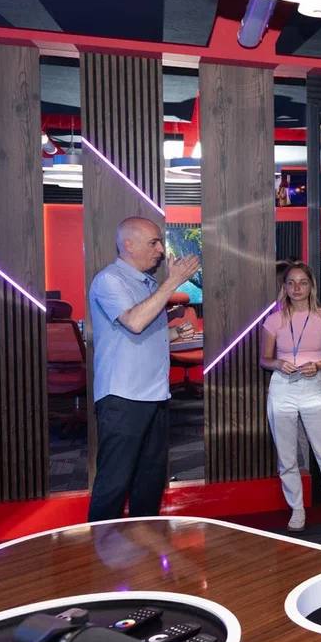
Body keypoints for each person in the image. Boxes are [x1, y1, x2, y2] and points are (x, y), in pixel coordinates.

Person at [87, 217, 199, 521]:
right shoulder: (109, 280)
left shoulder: (146, 284)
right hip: (123, 397)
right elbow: (134, 322)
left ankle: (145, 544)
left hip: (155, 395)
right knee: (114, 483)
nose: (161, 250)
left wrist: (173, 333)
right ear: (129, 245)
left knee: (149, 482)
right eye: (154, 243)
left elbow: (140, 334)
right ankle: (97, 547)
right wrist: (172, 282)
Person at [260, 262, 321, 532]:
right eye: (291, 283)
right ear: (285, 287)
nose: (296, 288)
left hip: (313, 386)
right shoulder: (274, 319)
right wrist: (278, 363)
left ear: (311, 286)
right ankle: (297, 508)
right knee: (287, 455)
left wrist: (319, 365)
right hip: (282, 387)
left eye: (302, 282)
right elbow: (264, 359)